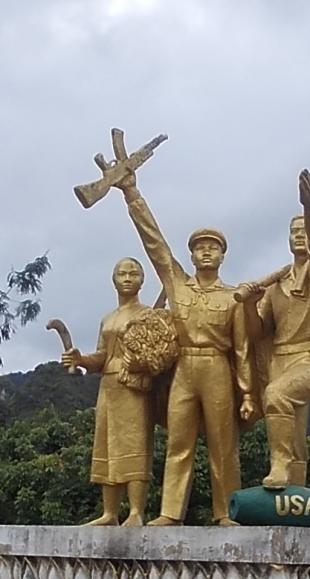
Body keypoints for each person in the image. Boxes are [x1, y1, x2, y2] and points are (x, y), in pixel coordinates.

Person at [113, 166, 255, 526]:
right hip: (185, 369)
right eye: (199, 248)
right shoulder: (178, 285)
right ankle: (170, 513)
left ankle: (226, 511)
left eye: (213, 248)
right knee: (179, 443)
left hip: (218, 368)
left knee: (223, 446)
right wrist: (132, 194)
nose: (206, 253)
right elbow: (154, 243)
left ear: (222, 256)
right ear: (191, 256)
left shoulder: (233, 296)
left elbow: (241, 350)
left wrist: (248, 393)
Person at [240, 169, 310, 489]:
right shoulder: (276, 286)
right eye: (293, 230)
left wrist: (309, 207)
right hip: (279, 359)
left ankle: (280, 465)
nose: (299, 234)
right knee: (293, 430)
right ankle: (294, 490)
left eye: (303, 229)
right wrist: (248, 303)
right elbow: (259, 332)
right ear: (286, 239)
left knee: (277, 394)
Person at [61, 258, 155, 526]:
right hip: (108, 386)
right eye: (122, 273)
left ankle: (136, 511)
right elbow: (101, 356)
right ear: (113, 279)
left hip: (133, 385)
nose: (128, 277)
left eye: (133, 273)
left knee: (134, 442)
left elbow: (156, 351)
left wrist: (140, 364)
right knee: (107, 444)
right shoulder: (108, 319)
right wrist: (81, 359)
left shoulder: (148, 313)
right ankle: (109, 513)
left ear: (142, 279)